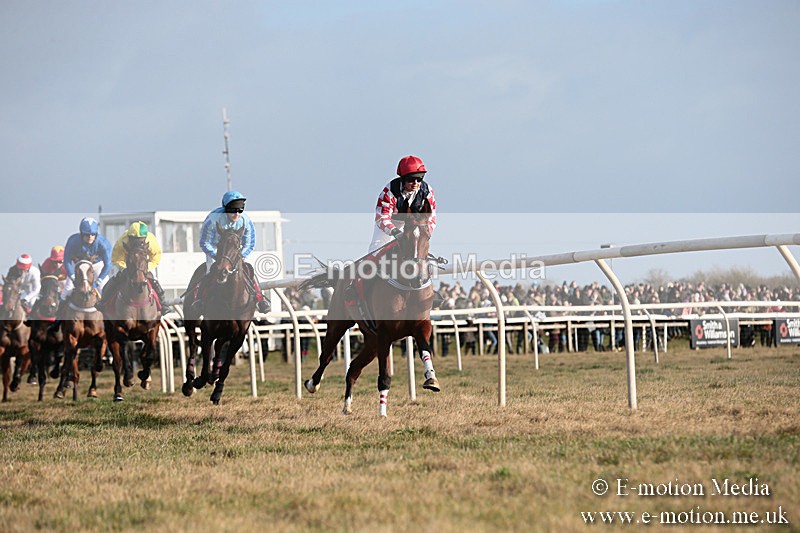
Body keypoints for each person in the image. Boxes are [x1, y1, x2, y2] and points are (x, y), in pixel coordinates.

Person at [186, 190, 269, 315]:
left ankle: (260, 299)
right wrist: (220, 257)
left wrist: (239, 256)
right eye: (233, 210)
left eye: (240, 210)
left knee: (248, 269)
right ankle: (200, 300)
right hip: (215, 249)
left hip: (235, 252)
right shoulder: (212, 220)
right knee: (209, 270)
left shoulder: (246, 221)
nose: (237, 214)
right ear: (225, 208)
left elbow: (250, 243)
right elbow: (205, 243)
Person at [48, 217, 112, 332]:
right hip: (77, 266)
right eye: (87, 235)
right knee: (66, 291)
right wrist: (72, 276)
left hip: (97, 267)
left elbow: (108, 265)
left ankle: (110, 323)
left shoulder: (103, 243)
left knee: (106, 291)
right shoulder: (73, 241)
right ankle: (57, 321)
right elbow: (66, 260)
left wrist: (99, 281)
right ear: (81, 234)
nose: (90, 237)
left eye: (93, 235)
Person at [369, 155, 437, 252]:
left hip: (413, 224)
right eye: (411, 179)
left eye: (420, 178)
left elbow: (431, 217)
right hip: (391, 221)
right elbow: (381, 217)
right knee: (376, 249)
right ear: (403, 178)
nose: (416, 183)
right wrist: (395, 231)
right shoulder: (390, 191)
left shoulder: (427, 191)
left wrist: (426, 232)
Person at [99, 221, 167, 310]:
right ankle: (103, 302)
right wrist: (124, 268)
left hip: (145, 265)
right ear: (129, 238)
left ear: (145, 238)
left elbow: (156, 257)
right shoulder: (122, 241)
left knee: (154, 279)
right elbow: (117, 258)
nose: (137, 244)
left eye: (140, 241)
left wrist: (146, 268)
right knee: (115, 278)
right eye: (134, 241)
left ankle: (163, 304)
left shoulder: (151, 240)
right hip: (127, 264)